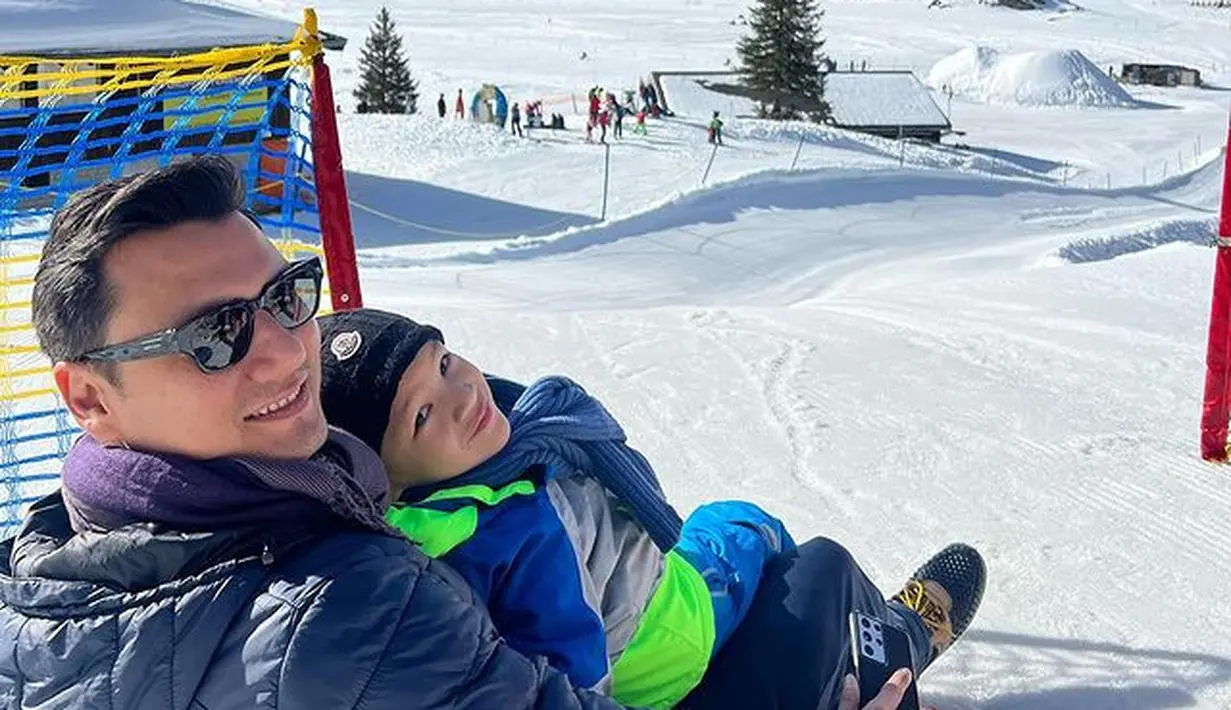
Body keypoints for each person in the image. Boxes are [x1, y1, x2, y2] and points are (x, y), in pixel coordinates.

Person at [0, 155, 628, 709]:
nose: (289, 350)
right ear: (89, 397)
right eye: (216, 336)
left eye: (286, 296)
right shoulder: (358, 613)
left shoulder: (35, 565)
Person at [316, 308, 987, 710]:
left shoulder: (474, 474)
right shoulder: (507, 530)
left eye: (444, 361)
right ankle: (900, 634)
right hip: (675, 636)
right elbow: (573, 674)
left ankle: (864, 630)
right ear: (386, 478)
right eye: (422, 414)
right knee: (754, 529)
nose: (462, 392)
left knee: (745, 537)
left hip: (641, 592)